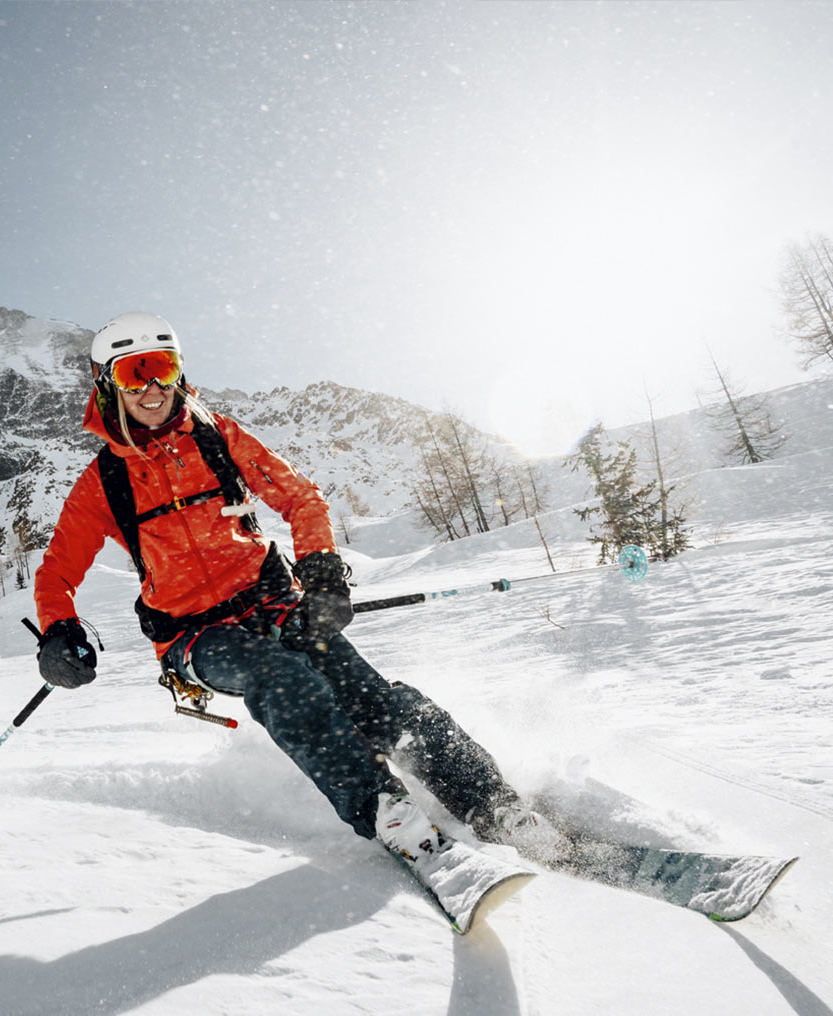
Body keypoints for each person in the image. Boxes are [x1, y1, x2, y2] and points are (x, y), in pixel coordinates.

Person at [32, 312, 555, 888]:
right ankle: (387, 812)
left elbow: (302, 499)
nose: (153, 388)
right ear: (108, 384)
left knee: (375, 701)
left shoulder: (218, 437)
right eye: (136, 373)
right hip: (196, 634)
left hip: (275, 603)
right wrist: (60, 632)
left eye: (164, 367)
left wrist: (325, 578)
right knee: (284, 679)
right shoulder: (103, 481)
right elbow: (57, 570)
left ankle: (494, 805)